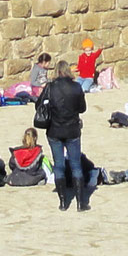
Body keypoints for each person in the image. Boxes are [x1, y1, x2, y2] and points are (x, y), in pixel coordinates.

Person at [36, 61, 93, 213]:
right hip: (72, 130)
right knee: (76, 165)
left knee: (59, 165)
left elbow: (38, 106)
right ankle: (81, 203)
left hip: (54, 130)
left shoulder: (50, 87)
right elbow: (82, 108)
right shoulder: (76, 87)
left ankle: (63, 202)